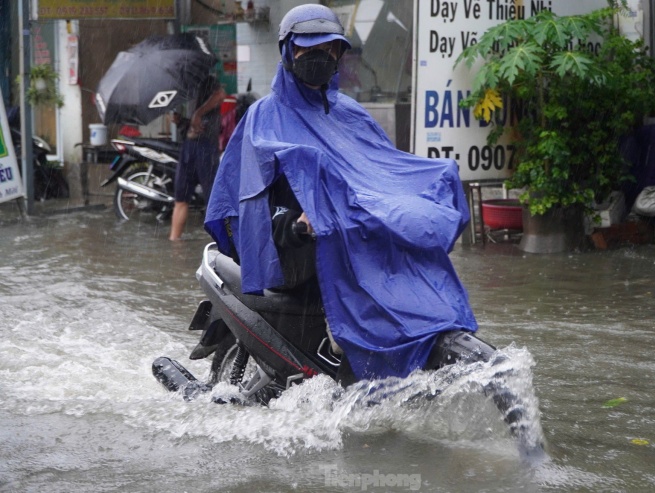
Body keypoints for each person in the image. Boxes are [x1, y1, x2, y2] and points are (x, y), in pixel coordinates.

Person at [205, 5, 477, 381]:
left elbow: (381, 173)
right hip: (296, 247)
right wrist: (296, 225)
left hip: (350, 235)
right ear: (288, 51)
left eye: (331, 49)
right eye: (310, 49)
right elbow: (250, 203)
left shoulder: (351, 113)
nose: (322, 57)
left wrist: (418, 195)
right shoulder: (263, 118)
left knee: (412, 255)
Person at [169, 75, 226, 241]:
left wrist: (198, 113)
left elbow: (220, 95)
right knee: (180, 199)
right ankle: (174, 243)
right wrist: (181, 121)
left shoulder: (207, 79)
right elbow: (191, 122)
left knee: (213, 200)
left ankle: (219, 243)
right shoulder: (184, 86)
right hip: (188, 146)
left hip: (206, 147)